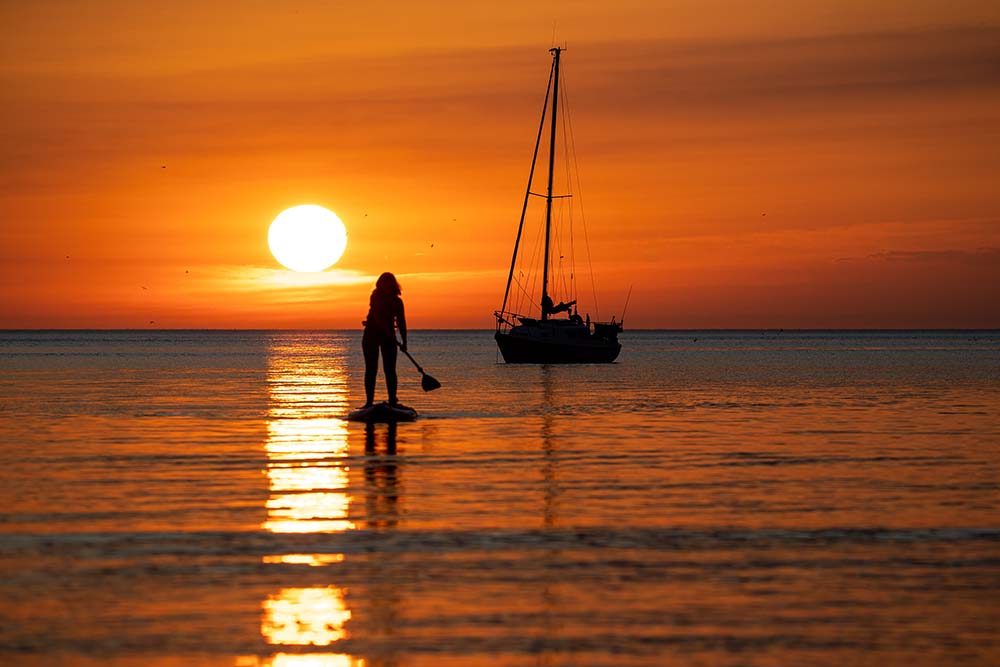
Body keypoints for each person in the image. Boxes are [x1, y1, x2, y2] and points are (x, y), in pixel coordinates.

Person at [362, 272, 407, 408]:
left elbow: (401, 322)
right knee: (371, 369)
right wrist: (388, 333)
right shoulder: (375, 297)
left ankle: (392, 400)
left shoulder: (398, 302)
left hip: (389, 339)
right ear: (380, 285)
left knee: (390, 369)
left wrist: (404, 342)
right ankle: (369, 402)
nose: (386, 285)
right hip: (371, 335)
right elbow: (377, 317)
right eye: (384, 283)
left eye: (389, 283)